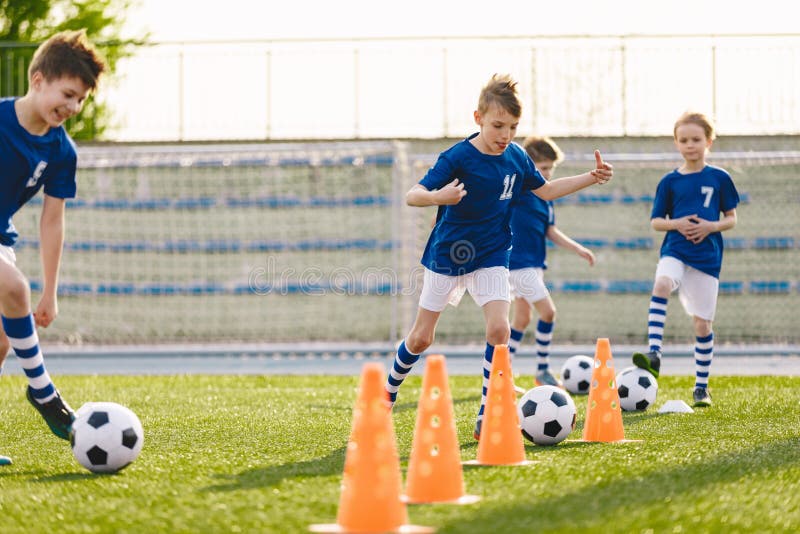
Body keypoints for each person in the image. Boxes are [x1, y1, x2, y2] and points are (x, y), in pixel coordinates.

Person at [384, 74, 613, 439]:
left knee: (499, 328)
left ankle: (488, 410)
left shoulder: (518, 157)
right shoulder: (457, 156)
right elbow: (414, 194)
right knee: (421, 339)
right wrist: (438, 197)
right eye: (497, 125)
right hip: (448, 254)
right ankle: (386, 395)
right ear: (478, 118)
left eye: (512, 127)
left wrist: (591, 176)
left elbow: (548, 190)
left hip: (492, 253)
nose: (505, 134)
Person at [0, 30, 107, 464]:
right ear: (38, 79)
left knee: (1, 342)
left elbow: (52, 220)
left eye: (80, 99)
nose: (73, 106)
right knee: (13, 289)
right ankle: (44, 392)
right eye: (67, 93)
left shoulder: (62, 151)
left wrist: (52, 291)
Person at [632, 111, 739, 407]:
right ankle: (654, 352)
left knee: (702, 325)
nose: (690, 145)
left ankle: (701, 387)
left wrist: (710, 226)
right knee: (662, 283)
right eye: (683, 140)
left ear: (709, 142)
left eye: (696, 139)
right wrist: (677, 223)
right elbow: (656, 221)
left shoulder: (720, 178)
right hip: (675, 248)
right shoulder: (669, 181)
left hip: (707, 257)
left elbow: (731, 218)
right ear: (676, 143)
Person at [507, 136, 596, 388]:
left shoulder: (546, 198)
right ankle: (542, 369)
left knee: (522, 319)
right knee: (548, 311)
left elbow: (551, 231)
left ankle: (501, 373)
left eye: (550, 169)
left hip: (534, 264)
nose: (547, 174)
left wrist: (578, 248)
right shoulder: (520, 189)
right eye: (543, 168)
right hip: (517, 264)